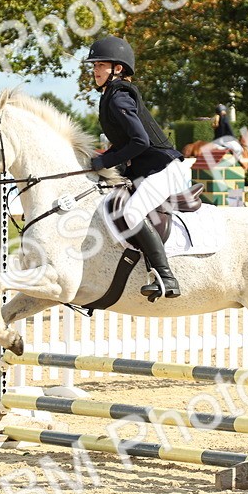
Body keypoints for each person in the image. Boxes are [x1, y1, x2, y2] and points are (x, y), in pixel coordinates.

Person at [82, 35, 187, 300]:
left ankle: (166, 276)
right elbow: (125, 144)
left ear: (118, 68)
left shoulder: (118, 98)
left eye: (100, 65)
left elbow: (140, 141)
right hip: (147, 170)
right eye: (94, 66)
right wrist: (100, 159)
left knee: (131, 213)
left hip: (164, 168)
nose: (95, 70)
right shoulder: (110, 97)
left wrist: (105, 161)